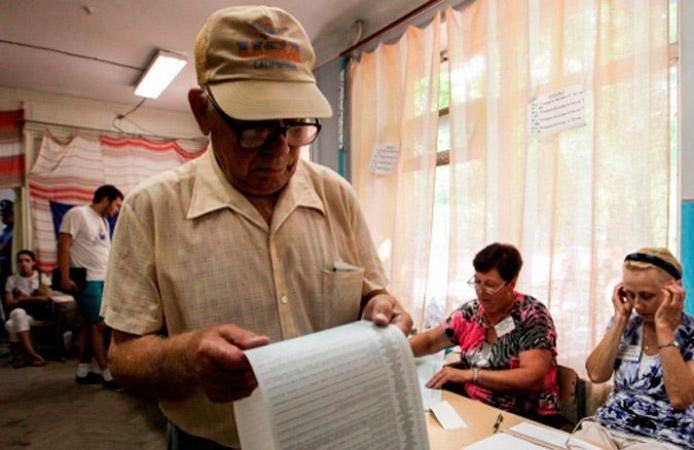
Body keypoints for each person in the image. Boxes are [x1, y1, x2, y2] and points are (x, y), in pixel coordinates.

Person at [100, 6, 412, 449]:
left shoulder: (336, 196)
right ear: (202, 113)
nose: (279, 150)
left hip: (333, 431)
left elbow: (372, 295)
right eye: (254, 128)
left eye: (295, 126)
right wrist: (186, 356)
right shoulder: (151, 209)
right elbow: (123, 356)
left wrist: (383, 307)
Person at [576, 248, 694, 450]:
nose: (637, 305)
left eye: (646, 296)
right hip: (610, 428)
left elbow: (680, 399)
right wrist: (620, 319)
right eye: (630, 294)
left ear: (675, 290)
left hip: (668, 439)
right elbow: (596, 374)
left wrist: (664, 329)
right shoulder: (627, 323)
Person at [409, 243, 560, 423]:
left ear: (512, 283)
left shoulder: (532, 315)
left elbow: (531, 376)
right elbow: (430, 341)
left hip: (523, 417)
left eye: (490, 285)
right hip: (474, 409)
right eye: (477, 282)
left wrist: (471, 375)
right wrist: (394, 347)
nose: (481, 292)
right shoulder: (471, 312)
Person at [57, 184, 123, 388]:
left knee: (89, 325)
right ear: (105, 199)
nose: (117, 210)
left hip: (103, 279)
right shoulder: (78, 214)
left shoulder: (103, 221)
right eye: (117, 205)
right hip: (87, 280)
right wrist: (65, 277)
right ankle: (108, 374)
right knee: (99, 326)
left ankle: (83, 372)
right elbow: (64, 244)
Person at [4, 249, 50, 368]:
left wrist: (23, 299)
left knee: (10, 325)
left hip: (35, 315)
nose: (23, 263)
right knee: (18, 313)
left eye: (27, 260)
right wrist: (34, 297)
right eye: (20, 261)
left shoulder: (41, 278)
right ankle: (31, 353)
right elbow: (9, 301)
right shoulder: (12, 279)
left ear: (33, 262)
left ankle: (20, 355)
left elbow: (46, 298)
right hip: (17, 313)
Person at [0, 199, 14, 286]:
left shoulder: (16, 230)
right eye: (2, 214)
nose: (3, 216)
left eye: (6, 214)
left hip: (9, 267)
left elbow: (3, 248)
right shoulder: (6, 231)